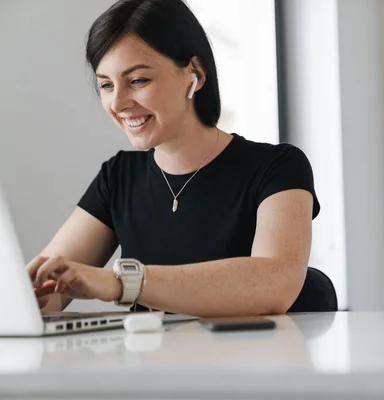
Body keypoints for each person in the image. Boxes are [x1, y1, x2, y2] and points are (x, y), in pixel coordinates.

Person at [27, 0, 320, 317]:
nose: (118, 103)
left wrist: (120, 282)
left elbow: (274, 285)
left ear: (195, 74)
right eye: (106, 85)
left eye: (138, 80)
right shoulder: (118, 177)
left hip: (247, 362)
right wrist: (26, 295)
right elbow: (46, 295)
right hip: (147, 366)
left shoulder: (278, 167)